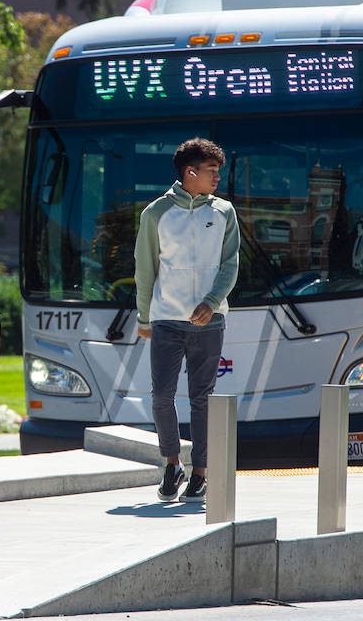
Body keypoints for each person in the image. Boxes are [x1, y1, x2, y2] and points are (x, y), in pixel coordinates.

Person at [133, 137, 240, 503]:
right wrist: (144, 316)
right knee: (162, 396)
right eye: (211, 171)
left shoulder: (224, 212)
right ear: (190, 172)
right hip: (166, 319)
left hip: (210, 322)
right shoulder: (156, 213)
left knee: (202, 399)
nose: (217, 178)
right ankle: (171, 464)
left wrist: (211, 302)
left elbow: (230, 264)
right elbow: (145, 268)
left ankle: (200, 473)